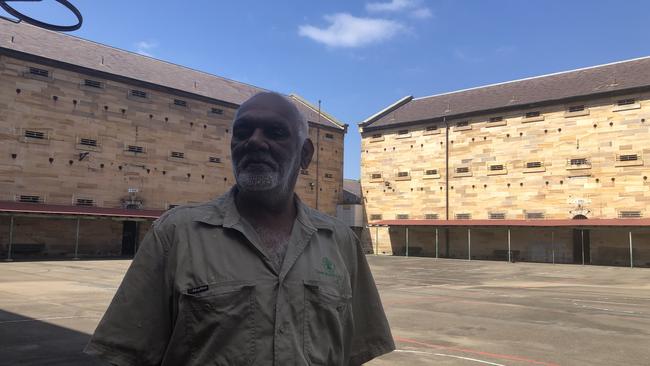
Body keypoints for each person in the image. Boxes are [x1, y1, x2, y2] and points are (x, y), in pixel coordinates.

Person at [84, 92, 394, 365]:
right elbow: (126, 355)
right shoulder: (176, 234)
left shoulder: (340, 241)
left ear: (305, 155)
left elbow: (354, 352)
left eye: (275, 132)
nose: (255, 141)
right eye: (243, 131)